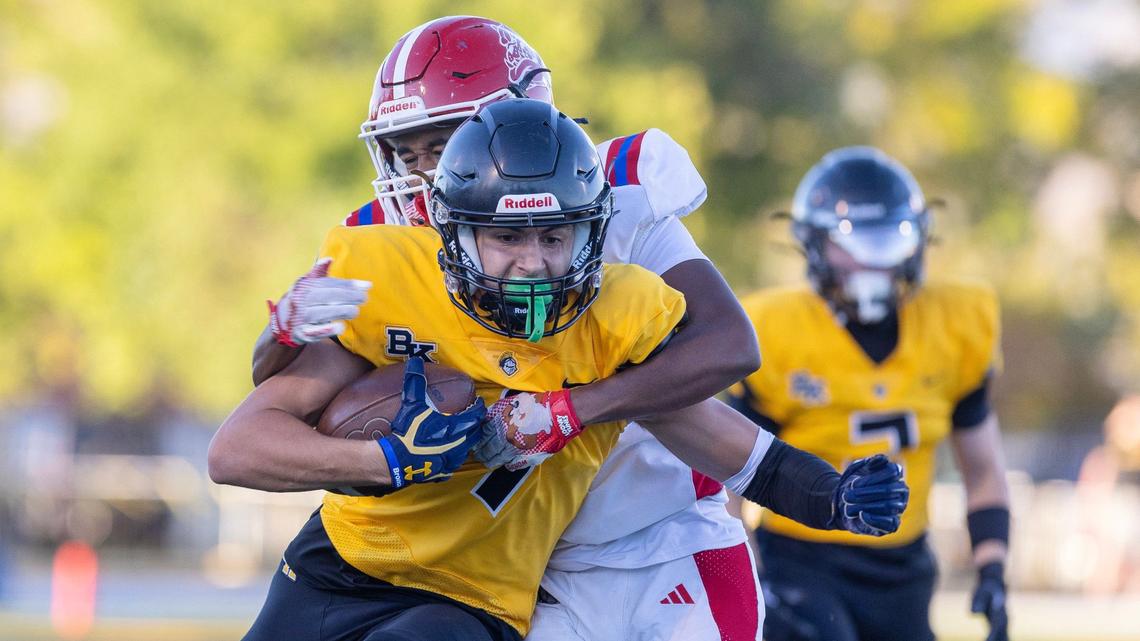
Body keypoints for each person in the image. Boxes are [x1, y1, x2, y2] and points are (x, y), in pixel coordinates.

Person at [250, 17, 908, 641]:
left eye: (441, 145)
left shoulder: (605, 204)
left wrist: (571, 407)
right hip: (527, 562)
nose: (421, 176)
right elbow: (277, 400)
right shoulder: (384, 244)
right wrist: (296, 349)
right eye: (406, 152)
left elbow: (725, 351)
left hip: (662, 522)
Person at [728, 146, 1012, 641]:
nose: (871, 263)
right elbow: (727, 468)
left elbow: (983, 466)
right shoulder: (774, 329)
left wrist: (992, 569)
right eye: (852, 243)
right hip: (801, 558)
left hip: (904, 566)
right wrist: (744, 566)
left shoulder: (956, 322)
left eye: (887, 240)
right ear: (814, 244)